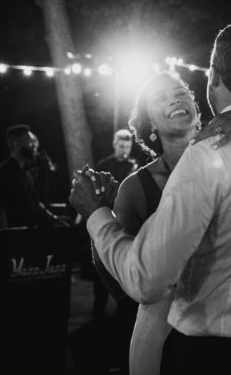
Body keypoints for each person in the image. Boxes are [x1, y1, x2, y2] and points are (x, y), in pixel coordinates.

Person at [71, 18, 231, 375]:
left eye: (179, 93)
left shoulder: (207, 156)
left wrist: (96, 215)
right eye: (161, 98)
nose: (175, 101)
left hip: (209, 350)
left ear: (212, 78)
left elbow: (144, 277)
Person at [92, 129, 139, 321]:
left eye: (127, 146)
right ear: (114, 144)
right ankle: (98, 310)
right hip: (106, 213)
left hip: (124, 218)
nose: (125, 149)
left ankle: (123, 309)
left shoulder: (135, 165)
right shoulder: (104, 164)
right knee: (101, 267)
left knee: (122, 264)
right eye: (121, 145)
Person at [0, 124, 64, 229]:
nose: (33, 145)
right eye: (29, 141)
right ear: (15, 143)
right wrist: (7, 236)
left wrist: (54, 219)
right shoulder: (2, 173)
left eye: (33, 141)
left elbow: (35, 203)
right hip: (15, 237)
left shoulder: (27, 172)